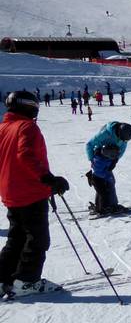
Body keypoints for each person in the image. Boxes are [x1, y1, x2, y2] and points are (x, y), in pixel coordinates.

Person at [0, 91, 70, 296]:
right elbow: (25, 155)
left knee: (16, 237)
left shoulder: (3, 128)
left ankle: (3, 278)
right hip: (30, 191)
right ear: (29, 106)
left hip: (11, 191)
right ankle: (27, 281)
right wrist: (47, 178)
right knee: (37, 239)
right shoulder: (27, 127)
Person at [85, 121, 131, 215]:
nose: (124, 142)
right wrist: (92, 159)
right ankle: (104, 206)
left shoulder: (124, 138)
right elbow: (89, 144)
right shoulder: (106, 134)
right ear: (118, 133)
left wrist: (115, 160)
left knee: (110, 182)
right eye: (123, 140)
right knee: (103, 185)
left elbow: (121, 150)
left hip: (109, 160)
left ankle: (110, 204)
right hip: (100, 158)